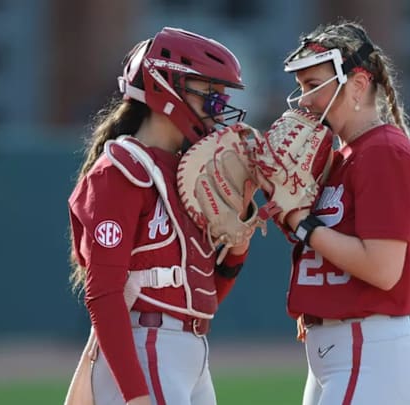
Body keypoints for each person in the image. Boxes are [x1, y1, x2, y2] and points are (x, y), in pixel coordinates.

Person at [67, 27, 251, 405]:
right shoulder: (121, 170)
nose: (219, 109)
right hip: (145, 348)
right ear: (168, 88)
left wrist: (237, 249)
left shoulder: (189, 172)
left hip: (188, 352)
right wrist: (135, 395)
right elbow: (103, 294)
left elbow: (200, 298)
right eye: (210, 95)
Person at [279, 21, 410, 405]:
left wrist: (301, 222)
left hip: (368, 353)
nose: (304, 100)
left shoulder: (383, 152)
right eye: (301, 87)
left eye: (312, 84)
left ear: (358, 85)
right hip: (341, 353)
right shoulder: (342, 157)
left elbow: (382, 269)